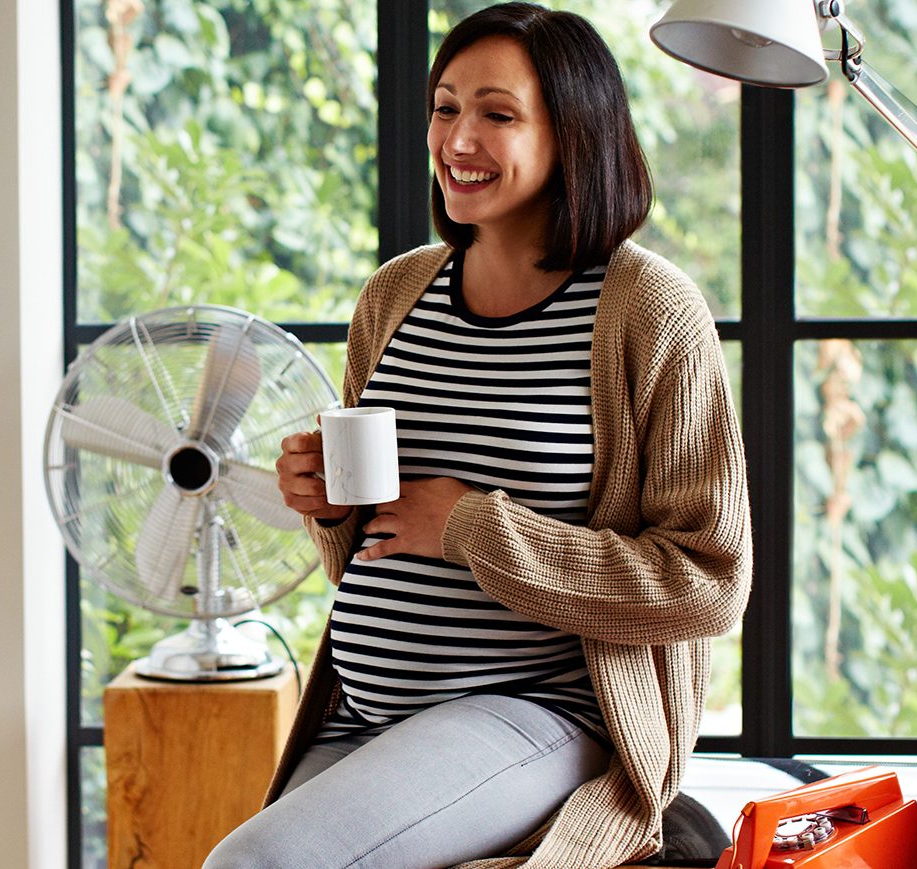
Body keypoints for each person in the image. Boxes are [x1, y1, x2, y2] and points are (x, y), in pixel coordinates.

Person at [205, 5, 749, 868]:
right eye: (445, 107)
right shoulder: (397, 294)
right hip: (362, 715)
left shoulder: (647, 311)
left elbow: (708, 582)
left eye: (498, 113)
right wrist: (328, 505)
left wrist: (468, 526)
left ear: (573, 134)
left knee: (252, 864)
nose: (459, 138)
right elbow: (369, 551)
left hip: (537, 714)